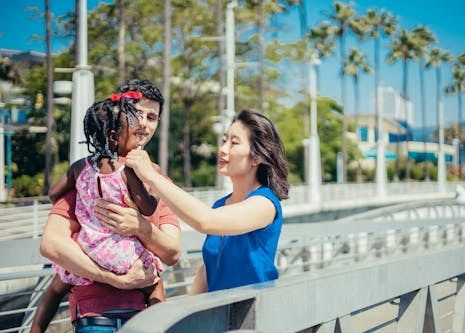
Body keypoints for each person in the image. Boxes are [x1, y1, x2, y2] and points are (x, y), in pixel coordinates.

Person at [36, 79, 181, 333]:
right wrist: (118, 280)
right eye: (137, 115)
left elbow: (172, 253)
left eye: (152, 117)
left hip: (139, 320)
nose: (144, 125)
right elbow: (50, 244)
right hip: (93, 311)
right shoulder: (90, 182)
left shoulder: (84, 174)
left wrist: (139, 227)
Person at [120, 109, 289, 294]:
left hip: (253, 314)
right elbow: (209, 269)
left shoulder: (265, 204)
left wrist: (151, 176)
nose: (223, 149)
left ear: (257, 157)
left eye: (234, 143)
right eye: (224, 140)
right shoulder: (220, 205)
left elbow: (206, 221)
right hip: (219, 315)